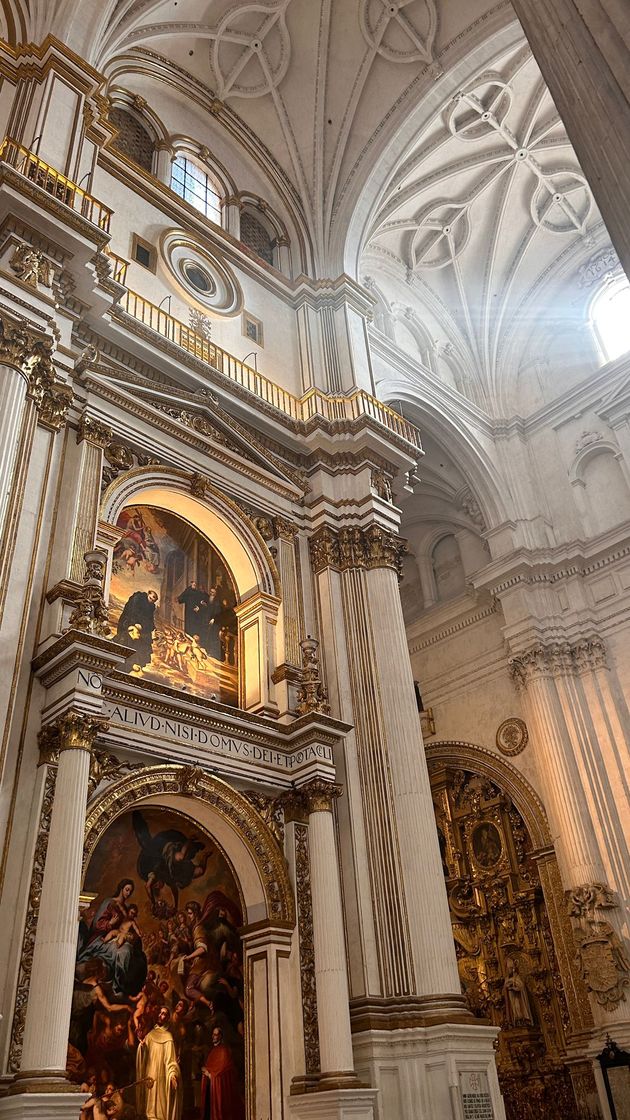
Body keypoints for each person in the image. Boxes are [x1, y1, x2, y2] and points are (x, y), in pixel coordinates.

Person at [136, 1006, 182, 1120]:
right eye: (161, 1013)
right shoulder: (151, 1034)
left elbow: (170, 1060)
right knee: (149, 1106)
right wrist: (142, 1046)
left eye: (165, 1014)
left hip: (162, 1076)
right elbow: (144, 1054)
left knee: (160, 1108)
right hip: (150, 1074)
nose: (162, 1015)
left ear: (167, 1018)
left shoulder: (168, 1037)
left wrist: (172, 1075)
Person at [200, 1026, 245, 1120]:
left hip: (220, 1089)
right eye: (213, 1034)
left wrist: (209, 1074)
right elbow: (212, 1067)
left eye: (216, 1034)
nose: (213, 1036)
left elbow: (222, 1070)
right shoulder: (213, 1051)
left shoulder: (224, 1051)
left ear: (220, 1036)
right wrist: (206, 1071)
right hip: (211, 1088)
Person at [116, 590, 158, 668]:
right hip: (130, 620)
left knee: (146, 637)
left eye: (153, 600)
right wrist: (135, 622)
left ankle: (139, 661)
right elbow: (132, 610)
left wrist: (152, 628)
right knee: (130, 637)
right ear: (148, 594)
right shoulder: (138, 598)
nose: (151, 601)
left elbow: (150, 618)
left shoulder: (151, 607)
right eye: (150, 598)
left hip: (142, 623)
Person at [503, 957, 534, 1026]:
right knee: (514, 1009)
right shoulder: (507, 979)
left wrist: (514, 987)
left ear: (513, 969)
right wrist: (507, 987)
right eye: (507, 969)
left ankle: (522, 1019)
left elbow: (521, 986)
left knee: (518, 1007)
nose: (508, 971)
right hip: (511, 998)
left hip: (517, 996)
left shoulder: (517, 977)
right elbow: (504, 989)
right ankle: (516, 1021)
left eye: (510, 969)